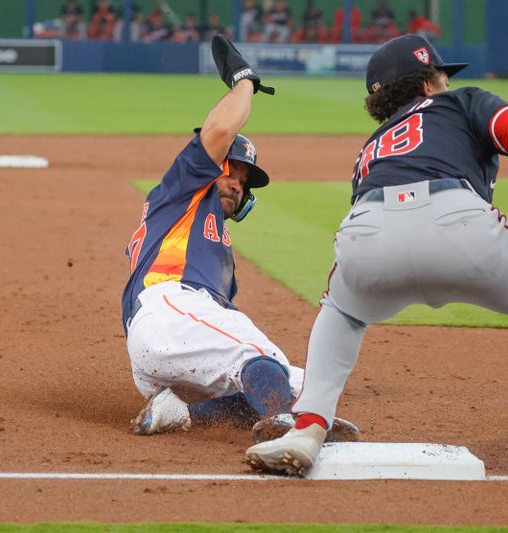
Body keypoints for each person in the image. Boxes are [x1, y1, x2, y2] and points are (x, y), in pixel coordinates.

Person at [246, 34, 508, 488]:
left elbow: (403, 225)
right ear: (427, 83)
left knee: (340, 309)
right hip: (462, 229)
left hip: (366, 234)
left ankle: (306, 432)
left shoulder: (373, 147)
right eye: (442, 74)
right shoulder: (463, 103)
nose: (448, 81)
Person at [122, 35, 358, 443]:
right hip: (169, 309)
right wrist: (244, 81)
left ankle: (180, 413)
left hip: (172, 337)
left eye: (243, 181)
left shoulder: (216, 248)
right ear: (210, 167)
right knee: (260, 358)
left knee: (300, 385)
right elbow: (220, 127)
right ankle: (286, 431)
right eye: (230, 170)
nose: (235, 184)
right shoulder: (183, 189)